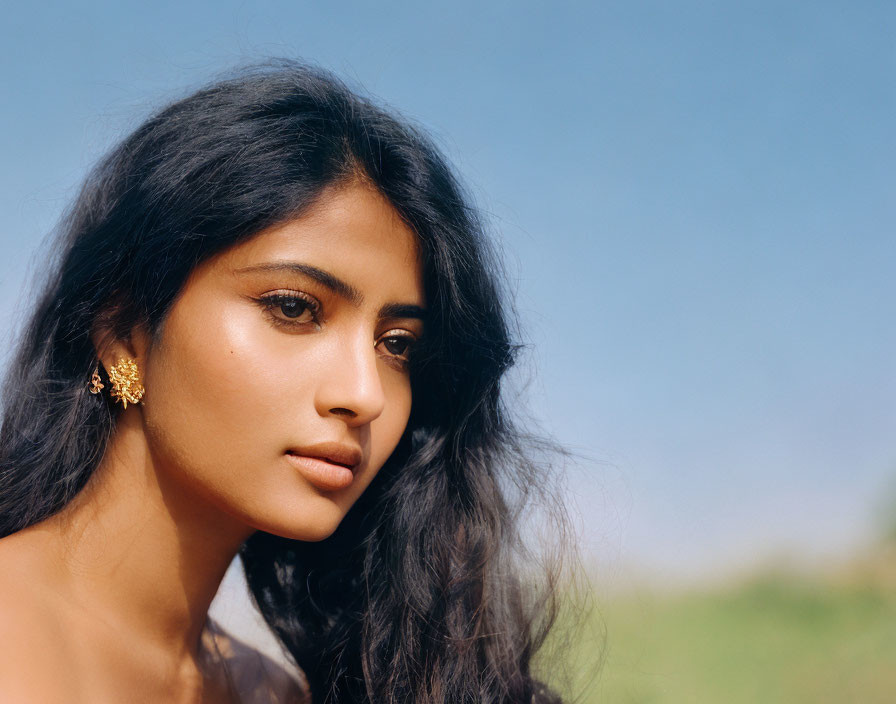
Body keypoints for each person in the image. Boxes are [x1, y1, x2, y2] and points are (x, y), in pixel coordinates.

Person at [0, 60, 567, 703]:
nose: (365, 394)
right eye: (294, 307)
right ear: (122, 332)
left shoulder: (272, 694)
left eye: (397, 345)